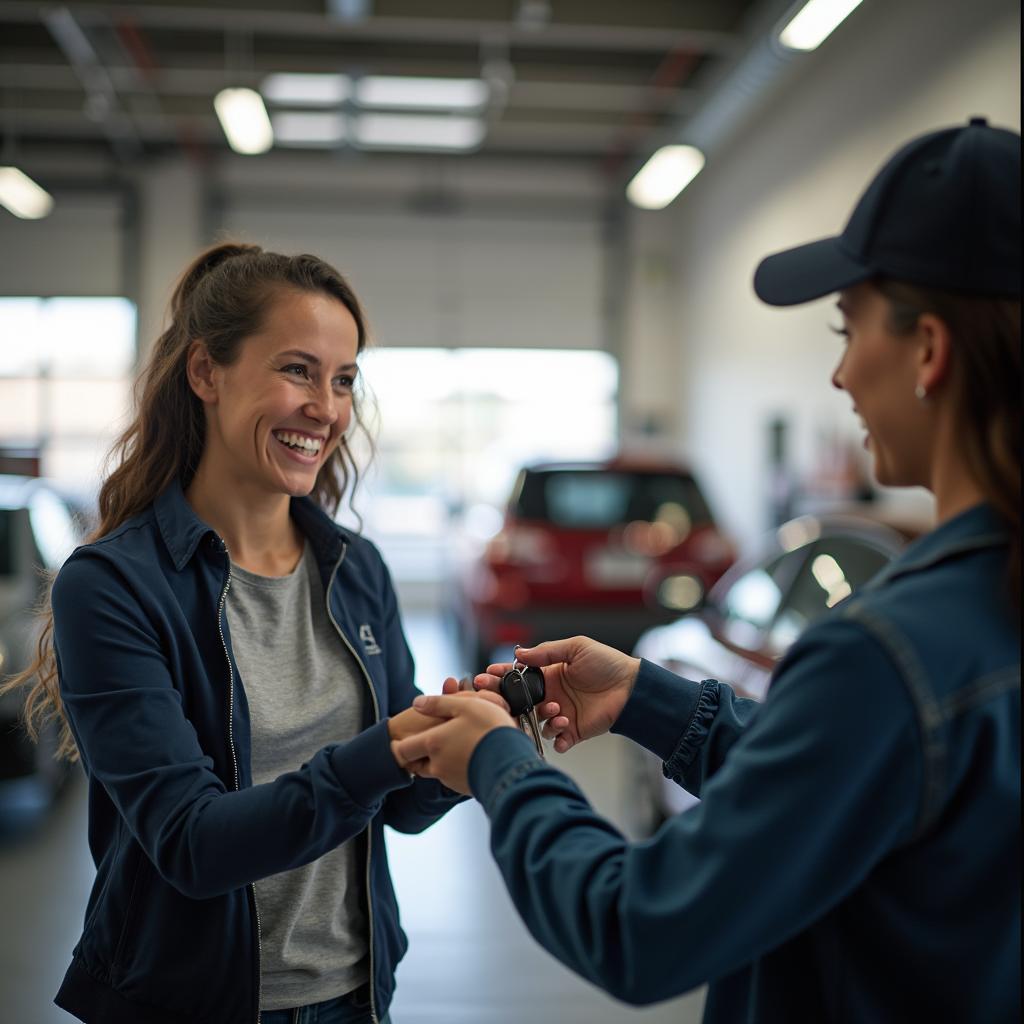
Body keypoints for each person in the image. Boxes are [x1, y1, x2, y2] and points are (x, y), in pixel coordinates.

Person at [393, 117, 1021, 1022]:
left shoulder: (888, 654)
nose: (841, 376)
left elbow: (637, 925)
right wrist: (649, 699)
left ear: (929, 350)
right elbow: (856, 789)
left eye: (848, 332)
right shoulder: (976, 623)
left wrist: (498, 763)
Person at [2, 243, 468, 1024]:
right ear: (205, 374)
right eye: (297, 370)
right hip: (186, 1004)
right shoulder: (114, 587)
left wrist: (466, 739)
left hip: (354, 996)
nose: (326, 407)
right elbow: (193, 843)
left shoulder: (356, 571)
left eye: (344, 378)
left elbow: (401, 807)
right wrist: (383, 751)